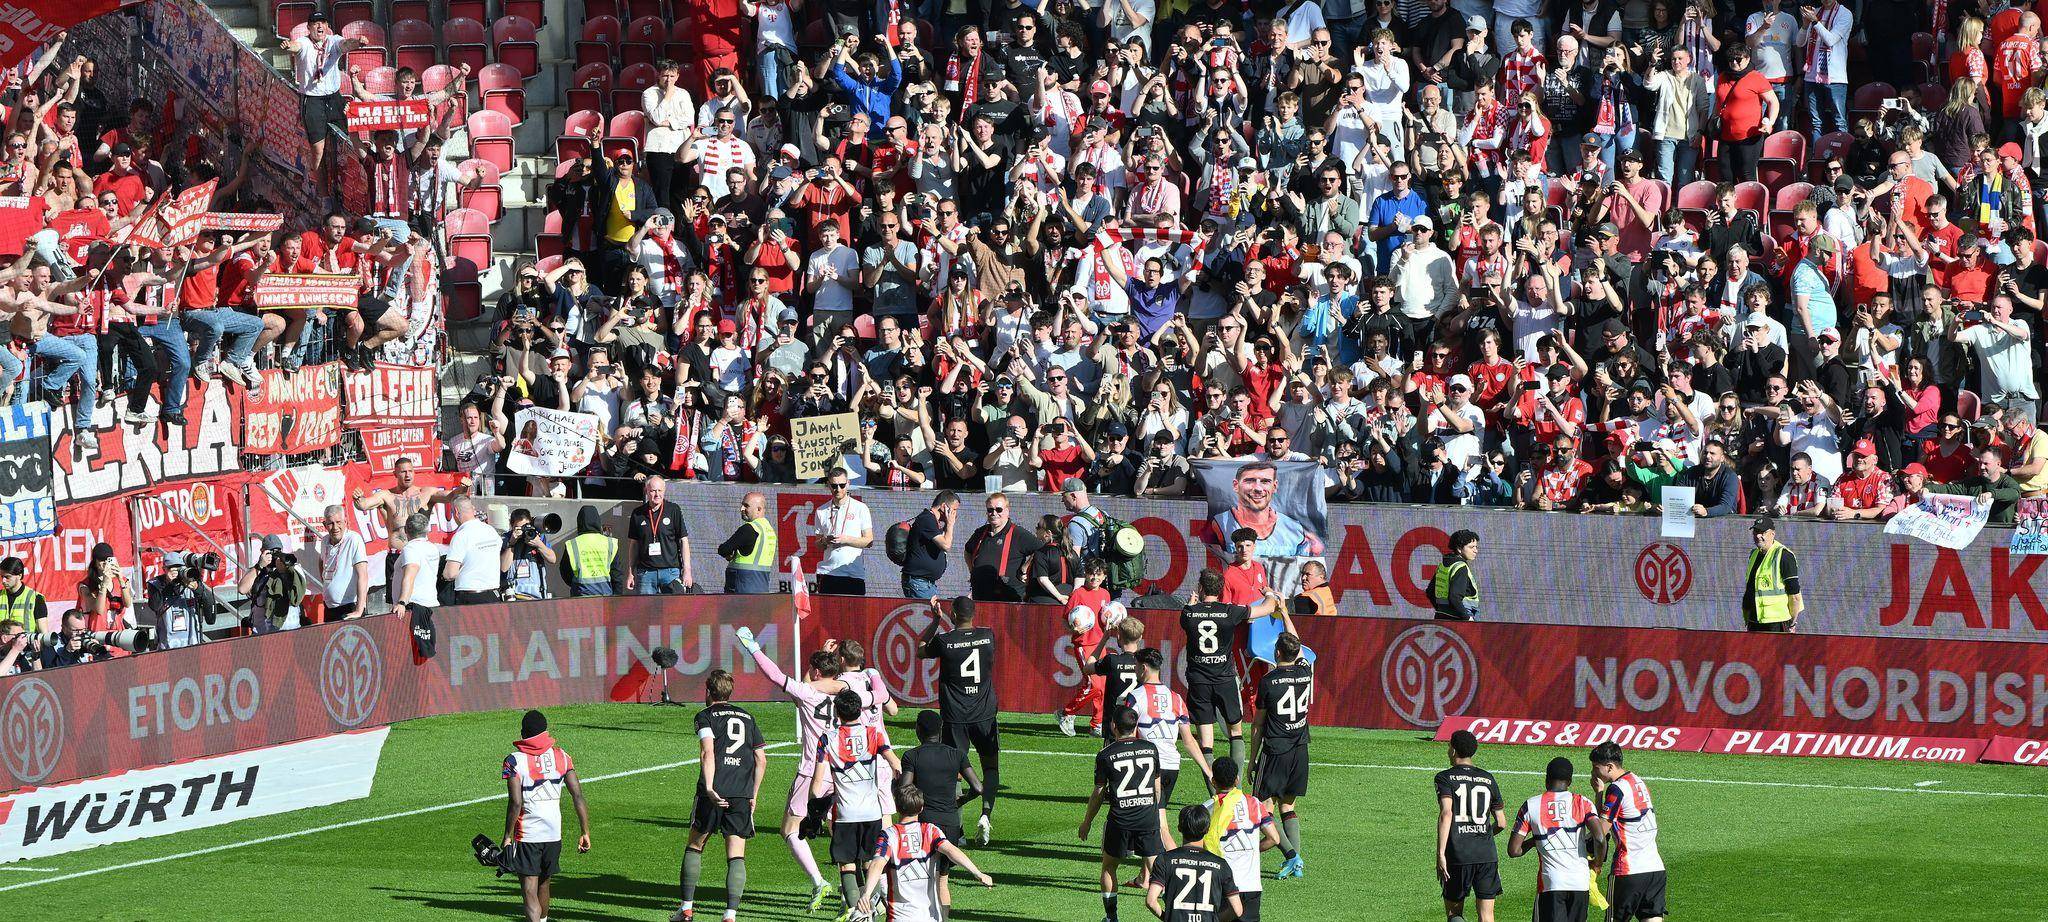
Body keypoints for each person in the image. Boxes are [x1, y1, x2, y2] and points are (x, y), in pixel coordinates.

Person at [734, 627, 857, 911]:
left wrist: (753, 648)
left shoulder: (808, 692)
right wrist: (824, 660)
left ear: (815, 672)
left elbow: (777, 677)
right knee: (838, 831)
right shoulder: (844, 692)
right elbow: (811, 687)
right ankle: (849, 894)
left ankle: (819, 882)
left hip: (812, 771)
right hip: (842, 771)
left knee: (790, 829)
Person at [673, 670, 766, 922]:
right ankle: (730, 915)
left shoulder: (705, 716)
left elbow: (707, 752)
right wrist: (753, 794)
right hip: (741, 794)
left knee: (695, 845)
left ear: (707, 691)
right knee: (736, 853)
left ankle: (687, 909)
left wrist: (711, 787)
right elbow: (760, 758)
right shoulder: (748, 717)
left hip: (713, 792)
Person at [811, 689, 903, 915]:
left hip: (845, 814)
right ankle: (873, 908)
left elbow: (815, 787)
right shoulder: (874, 734)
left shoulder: (827, 739)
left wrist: (816, 806)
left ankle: (858, 915)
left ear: (837, 712)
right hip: (872, 813)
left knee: (847, 866)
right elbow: (896, 765)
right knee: (869, 863)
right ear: (859, 709)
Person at [894, 711, 992, 921]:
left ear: (918, 730)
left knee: (922, 879)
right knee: (942, 880)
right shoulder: (956, 754)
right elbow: (978, 787)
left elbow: (905, 789)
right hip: (950, 824)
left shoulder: (912, 756)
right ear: (941, 731)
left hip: (924, 824)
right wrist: (960, 801)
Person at [1182, 569, 1282, 771]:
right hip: (1225, 680)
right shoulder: (1230, 611)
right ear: (1221, 590)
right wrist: (1269, 594)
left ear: (1200, 588)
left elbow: (1189, 614)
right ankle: (1235, 789)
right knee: (1236, 732)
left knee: (1206, 743)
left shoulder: (1188, 614)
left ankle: (1214, 791)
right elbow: (1268, 607)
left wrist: (1191, 604)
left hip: (1199, 681)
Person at [1079, 706, 1173, 922]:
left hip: (1120, 821)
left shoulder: (1105, 755)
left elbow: (1099, 793)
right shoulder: (1151, 749)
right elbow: (1157, 789)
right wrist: (1152, 813)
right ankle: (1177, 914)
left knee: (1109, 866)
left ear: (1113, 726)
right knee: (1157, 870)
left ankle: (1111, 917)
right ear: (1136, 726)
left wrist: (1087, 822)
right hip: (1147, 818)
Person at [855, 783, 995, 922]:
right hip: (930, 916)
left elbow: (877, 864)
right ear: (921, 808)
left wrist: (866, 894)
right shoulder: (930, 831)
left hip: (899, 917)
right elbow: (951, 850)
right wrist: (977, 873)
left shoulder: (888, 835)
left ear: (897, 808)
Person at [920, 596, 999, 842]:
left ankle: (959, 830)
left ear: (952, 615)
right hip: (984, 713)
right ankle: (986, 814)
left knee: (953, 772)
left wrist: (936, 619)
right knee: (991, 767)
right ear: (974, 614)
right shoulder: (988, 636)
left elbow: (921, 648)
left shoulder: (944, 641)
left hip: (956, 717)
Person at [501, 709, 592, 922]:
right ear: (545, 731)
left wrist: (507, 835)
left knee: (529, 890)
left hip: (528, 834)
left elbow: (515, 802)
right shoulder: (562, 756)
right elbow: (577, 796)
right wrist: (585, 831)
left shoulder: (514, 761)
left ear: (523, 733)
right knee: (544, 883)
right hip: (554, 833)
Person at [1507, 757, 1609, 922]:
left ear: (1546, 779)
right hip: (1580, 882)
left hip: (1551, 883)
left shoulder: (1531, 805)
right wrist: (1597, 863)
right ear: (1569, 781)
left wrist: (1535, 841)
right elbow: (1599, 838)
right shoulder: (1582, 803)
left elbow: (1514, 851)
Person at [1247, 632, 1312, 880]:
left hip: (1275, 750)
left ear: (1276, 653)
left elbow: (1258, 725)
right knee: (1288, 804)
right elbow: (1299, 648)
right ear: (1297, 653)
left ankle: (1292, 856)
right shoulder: (1306, 673)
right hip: (1300, 748)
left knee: (1262, 807)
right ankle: (1297, 864)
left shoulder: (1268, 681)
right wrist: (1285, 613)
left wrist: (1253, 759)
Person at [1120, 647, 1213, 808]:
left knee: (1147, 818)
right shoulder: (1176, 698)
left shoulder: (1135, 696)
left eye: (1136, 666)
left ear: (1144, 668)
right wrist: (1208, 771)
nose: (1135, 671)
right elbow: (1189, 741)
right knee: (1159, 814)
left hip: (1147, 765)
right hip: (1171, 766)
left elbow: (1131, 735)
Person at [1200, 756, 1287, 922]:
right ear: (1237, 779)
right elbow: (1274, 839)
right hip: (1251, 885)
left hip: (1222, 885)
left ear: (1213, 781)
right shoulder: (1253, 803)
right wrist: (1254, 848)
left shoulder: (1207, 809)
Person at [1589, 741, 1667, 922]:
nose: (1593, 772)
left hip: (1629, 871)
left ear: (1609, 767)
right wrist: (1600, 793)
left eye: (1595, 767)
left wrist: (1599, 794)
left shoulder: (1617, 788)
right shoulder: (1638, 781)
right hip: (1655, 869)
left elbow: (1600, 832)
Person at [1435, 729, 1507, 922]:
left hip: (1459, 855)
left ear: (1453, 750)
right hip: (1487, 855)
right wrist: (1484, 834)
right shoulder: (1488, 778)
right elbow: (1501, 822)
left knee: (1454, 914)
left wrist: (1441, 853)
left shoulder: (1444, 778)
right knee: (1487, 915)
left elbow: (1446, 813)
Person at [1205, 460, 1326, 560]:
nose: (1258, 488)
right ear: (1236, 485)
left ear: (1274, 486)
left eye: (1265, 481)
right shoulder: (1219, 524)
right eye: (1250, 481)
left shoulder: (1296, 529)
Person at [1144, 804, 1242, 922]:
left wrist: (1167, 918)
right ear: (1207, 829)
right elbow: (1237, 910)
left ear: (1179, 827)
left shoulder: (1165, 860)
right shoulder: (1221, 864)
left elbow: (1151, 901)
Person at [964, 491, 1041, 601]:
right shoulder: (980, 532)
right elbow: (967, 551)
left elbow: (1042, 549)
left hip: (1008, 598)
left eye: (998, 509)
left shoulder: (1018, 534)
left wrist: (1025, 568)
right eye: (990, 510)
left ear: (1007, 511)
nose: (994, 513)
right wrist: (972, 570)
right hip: (980, 595)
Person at [627, 476, 695, 594]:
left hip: (670, 572)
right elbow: (634, 544)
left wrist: (687, 570)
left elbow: (683, 540)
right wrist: (630, 572)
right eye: (653, 491)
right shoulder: (637, 514)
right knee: (646, 610)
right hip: (646, 573)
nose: (657, 494)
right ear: (646, 491)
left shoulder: (674, 510)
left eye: (660, 490)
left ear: (664, 491)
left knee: (673, 610)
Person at [812, 467, 874, 595]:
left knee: (854, 614)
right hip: (828, 572)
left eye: (842, 485)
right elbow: (817, 544)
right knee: (828, 614)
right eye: (834, 485)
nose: (838, 489)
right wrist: (825, 540)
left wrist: (846, 539)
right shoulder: (821, 511)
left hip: (853, 573)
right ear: (828, 485)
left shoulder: (860, 508)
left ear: (848, 484)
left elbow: (869, 541)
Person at [1741, 517, 1803, 632]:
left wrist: (1792, 624)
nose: (1758, 535)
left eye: (1763, 532)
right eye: (1756, 532)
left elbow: (1794, 595)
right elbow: (1750, 588)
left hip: (1777, 623)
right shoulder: (1754, 554)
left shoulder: (1784, 555)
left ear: (1772, 534)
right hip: (1754, 621)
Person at [144, 552, 216, 650]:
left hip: (191, 642)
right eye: (171, 568)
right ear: (164, 569)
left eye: (179, 568)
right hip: (168, 644)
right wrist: (168, 583)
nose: (176, 572)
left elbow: (210, 610)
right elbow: (155, 606)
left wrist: (197, 588)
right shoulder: (157, 584)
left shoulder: (190, 579)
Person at [443, 496, 506, 605]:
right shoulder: (491, 530)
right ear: (473, 509)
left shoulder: (461, 536)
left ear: (456, 512)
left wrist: (443, 574)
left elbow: (450, 574)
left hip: (470, 596)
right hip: (493, 594)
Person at [239, 535, 308, 633]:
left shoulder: (292, 569)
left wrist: (284, 572)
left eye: (278, 551)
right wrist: (260, 566)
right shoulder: (256, 571)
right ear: (262, 551)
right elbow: (242, 589)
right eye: (270, 552)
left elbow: (297, 594)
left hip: (289, 629)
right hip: (261, 631)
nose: (274, 556)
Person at [716, 491, 779, 593]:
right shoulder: (770, 531)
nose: (741, 509)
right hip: (762, 586)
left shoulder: (749, 529)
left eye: (746, 506)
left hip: (742, 586)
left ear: (758, 509)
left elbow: (723, 549)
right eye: (742, 505)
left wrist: (730, 553)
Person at [902, 490, 960, 598]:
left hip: (926, 583)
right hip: (918, 583)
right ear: (944, 507)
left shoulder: (932, 521)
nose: (955, 515)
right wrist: (950, 524)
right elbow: (946, 545)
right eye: (954, 510)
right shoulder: (927, 519)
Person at [318, 504, 370, 620]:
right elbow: (321, 561)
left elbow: (363, 575)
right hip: (330, 607)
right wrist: (327, 585)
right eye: (330, 523)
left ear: (345, 522)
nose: (335, 527)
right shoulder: (325, 541)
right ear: (324, 525)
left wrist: (359, 610)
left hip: (350, 607)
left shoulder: (354, 539)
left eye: (338, 522)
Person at [557, 505, 619, 597]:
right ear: (598, 521)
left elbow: (565, 571)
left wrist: (575, 585)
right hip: (605, 596)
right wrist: (617, 598)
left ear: (580, 522)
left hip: (580, 596)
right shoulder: (610, 543)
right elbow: (616, 574)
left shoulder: (573, 544)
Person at [501, 508, 559, 601]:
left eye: (526, 526)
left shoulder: (537, 536)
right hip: (513, 597)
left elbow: (552, 559)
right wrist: (511, 543)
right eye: (519, 528)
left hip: (537, 596)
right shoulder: (506, 538)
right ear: (512, 526)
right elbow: (503, 567)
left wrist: (539, 544)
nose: (523, 531)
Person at [394, 513, 441, 619]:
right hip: (431, 604)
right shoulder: (433, 548)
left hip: (414, 607)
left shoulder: (410, 549)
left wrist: (402, 602)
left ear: (406, 530)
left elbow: (410, 576)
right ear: (427, 530)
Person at [1429, 529, 1481, 620]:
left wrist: (1442, 610)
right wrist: (1467, 617)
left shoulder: (1443, 565)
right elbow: (1454, 597)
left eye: (1476, 547)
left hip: (1441, 616)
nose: (1475, 551)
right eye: (1471, 547)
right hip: (1459, 618)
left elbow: (1430, 591)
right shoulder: (1461, 567)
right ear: (1459, 549)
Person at [0, 556, 48, 636]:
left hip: (27, 647)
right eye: (2, 577)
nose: (3, 581)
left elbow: (44, 633)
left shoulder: (36, 598)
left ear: (19, 575)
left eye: (7, 577)